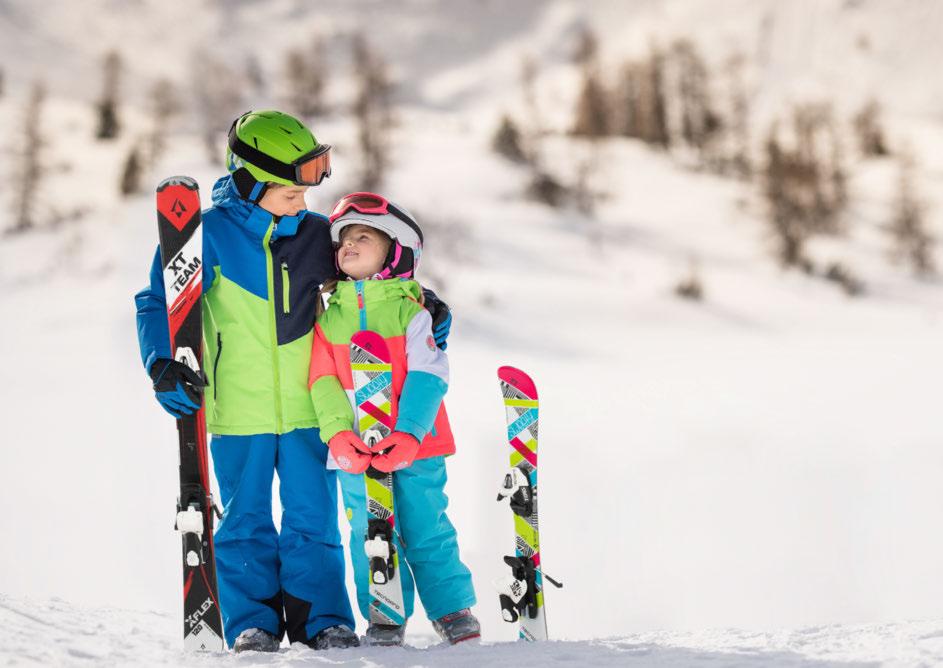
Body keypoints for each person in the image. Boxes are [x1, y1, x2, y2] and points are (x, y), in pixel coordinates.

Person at [135, 110, 362, 653]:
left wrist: (419, 303)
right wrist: (161, 363)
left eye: (304, 195)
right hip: (239, 408)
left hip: (311, 405)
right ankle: (251, 623)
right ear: (249, 182)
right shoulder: (207, 234)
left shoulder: (315, 236)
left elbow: (371, 274)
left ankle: (323, 620)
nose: (301, 206)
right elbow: (156, 301)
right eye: (288, 196)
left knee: (314, 520)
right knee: (245, 523)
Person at [308, 192, 479, 647]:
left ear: (394, 252)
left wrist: (409, 434)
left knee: (426, 525)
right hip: (356, 451)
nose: (349, 245)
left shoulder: (411, 312)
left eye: (363, 236)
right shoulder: (327, 321)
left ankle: (451, 609)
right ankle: (385, 611)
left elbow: (429, 375)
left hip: (416, 447)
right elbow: (321, 382)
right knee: (367, 531)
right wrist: (338, 434)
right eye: (343, 240)